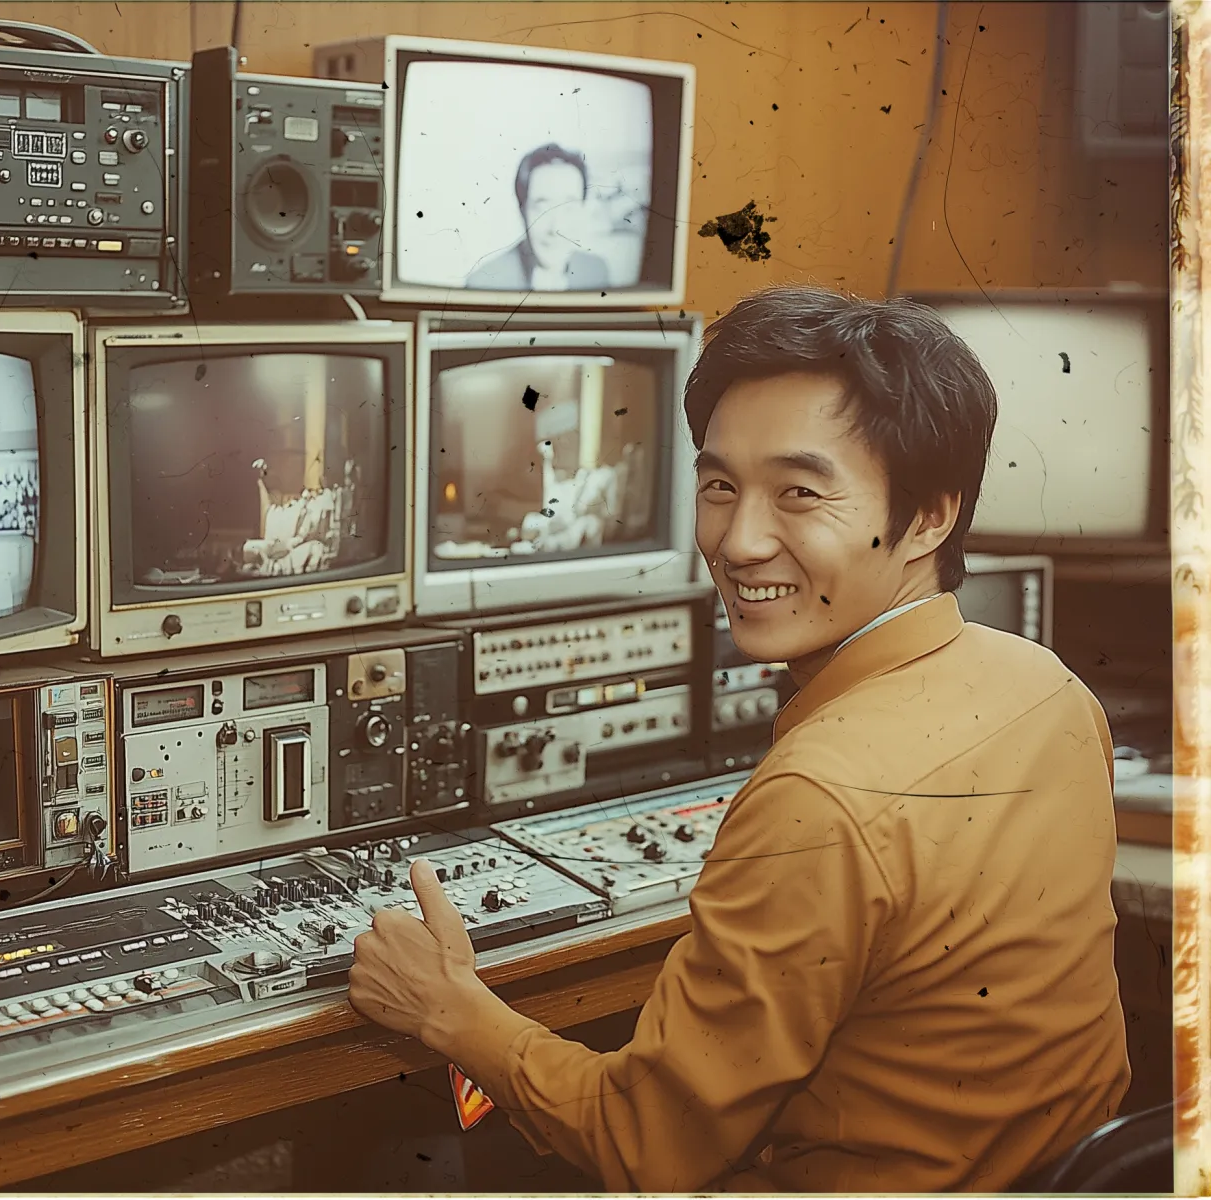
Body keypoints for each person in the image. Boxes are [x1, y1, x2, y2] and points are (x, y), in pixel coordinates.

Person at [347, 286, 1131, 1191]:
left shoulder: (819, 800)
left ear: (929, 516)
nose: (739, 540)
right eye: (721, 486)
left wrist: (449, 1009)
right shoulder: (1049, 686)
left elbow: (642, 1145)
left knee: (391, 1161)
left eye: (800, 493)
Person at [465, 143, 610, 292]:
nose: (556, 228)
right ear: (522, 210)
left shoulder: (597, 271)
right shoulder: (484, 283)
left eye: (569, 208)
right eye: (542, 209)